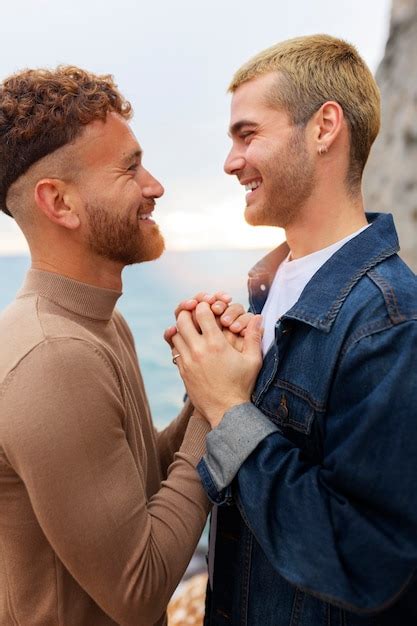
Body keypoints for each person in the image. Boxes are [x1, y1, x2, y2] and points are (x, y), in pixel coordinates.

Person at [170, 34, 417, 625]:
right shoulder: (270, 288)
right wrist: (208, 374)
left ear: (324, 126)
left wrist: (229, 409)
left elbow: (366, 562)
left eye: (247, 134)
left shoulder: (389, 322)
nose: (231, 162)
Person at [0, 66, 256, 626]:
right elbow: (138, 592)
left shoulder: (99, 324)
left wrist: (203, 381)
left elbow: (138, 485)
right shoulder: (51, 357)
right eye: (130, 168)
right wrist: (217, 410)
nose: (155, 187)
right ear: (59, 203)